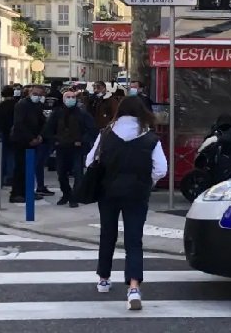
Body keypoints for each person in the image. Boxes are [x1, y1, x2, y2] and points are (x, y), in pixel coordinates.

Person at [86, 96, 168, 310]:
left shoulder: (105, 134)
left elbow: (89, 161)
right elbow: (161, 169)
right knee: (134, 240)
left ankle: (104, 278)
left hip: (108, 192)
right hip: (137, 194)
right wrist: (146, 182)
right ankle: (133, 287)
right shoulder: (151, 138)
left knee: (108, 234)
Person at [47, 89, 96, 208]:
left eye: (73, 97)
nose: (70, 99)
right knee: (61, 173)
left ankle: (74, 197)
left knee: (78, 173)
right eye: (68, 97)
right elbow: (49, 129)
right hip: (61, 148)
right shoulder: (57, 113)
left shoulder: (82, 114)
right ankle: (66, 194)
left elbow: (91, 130)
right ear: (63, 100)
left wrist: (82, 140)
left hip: (77, 148)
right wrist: (55, 141)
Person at [10, 85, 47, 203]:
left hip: (34, 140)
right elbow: (19, 123)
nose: (37, 96)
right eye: (35, 94)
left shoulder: (37, 105)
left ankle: (28, 191)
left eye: (40, 95)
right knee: (20, 168)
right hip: (21, 140)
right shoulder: (22, 105)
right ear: (30, 93)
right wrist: (31, 138)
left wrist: (41, 136)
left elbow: (42, 121)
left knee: (30, 168)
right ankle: (17, 193)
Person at [0, 86, 17, 187]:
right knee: (12, 156)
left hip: (1, 133)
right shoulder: (17, 105)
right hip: (14, 133)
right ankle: (10, 177)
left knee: (0, 157)